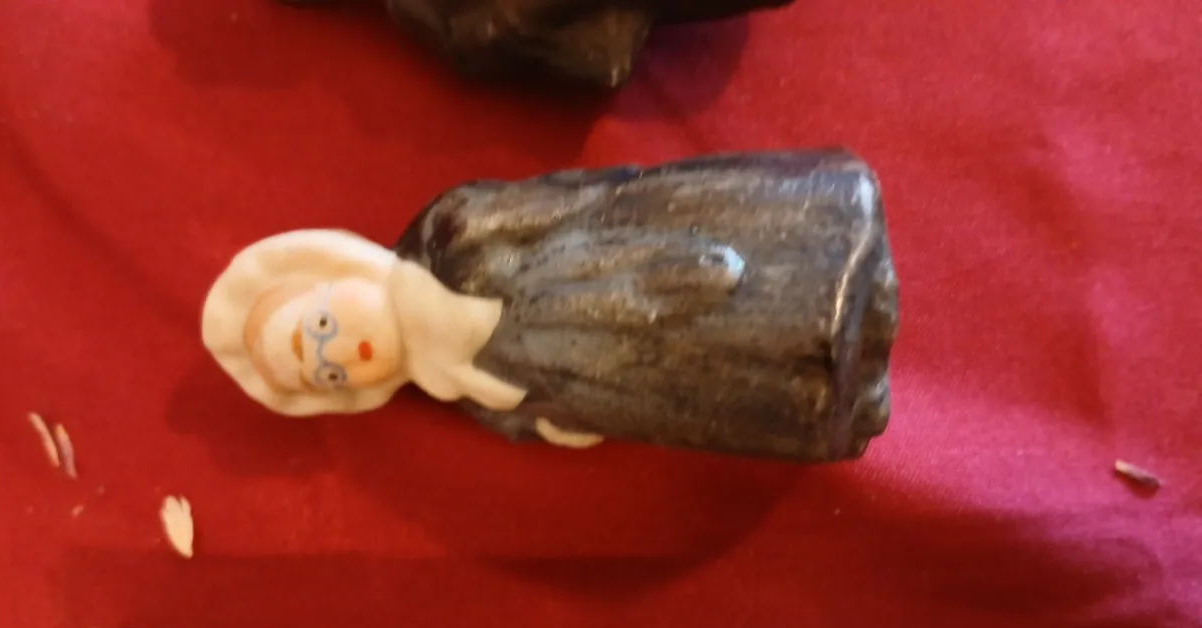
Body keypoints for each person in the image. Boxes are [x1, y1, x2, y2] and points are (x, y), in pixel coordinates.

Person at [201, 149, 899, 461]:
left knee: (755, 279)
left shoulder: (448, 234)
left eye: (319, 328)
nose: (341, 354)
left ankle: (838, 259)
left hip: (626, 260)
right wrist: (557, 424)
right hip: (624, 379)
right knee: (746, 379)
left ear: (336, 272)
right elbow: (524, 418)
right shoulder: (455, 390)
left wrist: (617, 217)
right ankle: (837, 394)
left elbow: (558, 203)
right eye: (328, 374)